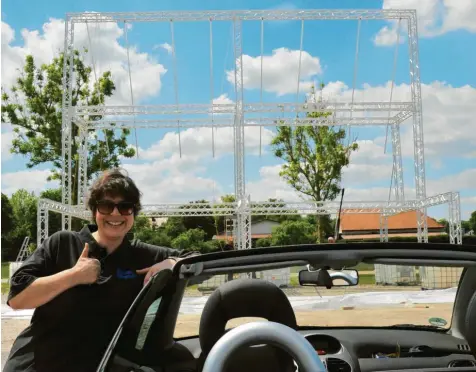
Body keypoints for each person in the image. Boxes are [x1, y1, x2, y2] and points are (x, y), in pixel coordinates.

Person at [3, 169, 195, 372]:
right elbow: (17, 298)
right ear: (95, 211)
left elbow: (196, 257)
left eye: (125, 207)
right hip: (39, 365)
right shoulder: (64, 243)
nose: (115, 213)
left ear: (133, 213)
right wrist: (73, 276)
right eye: (106, 206)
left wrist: (171, 263)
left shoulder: (141, 255)